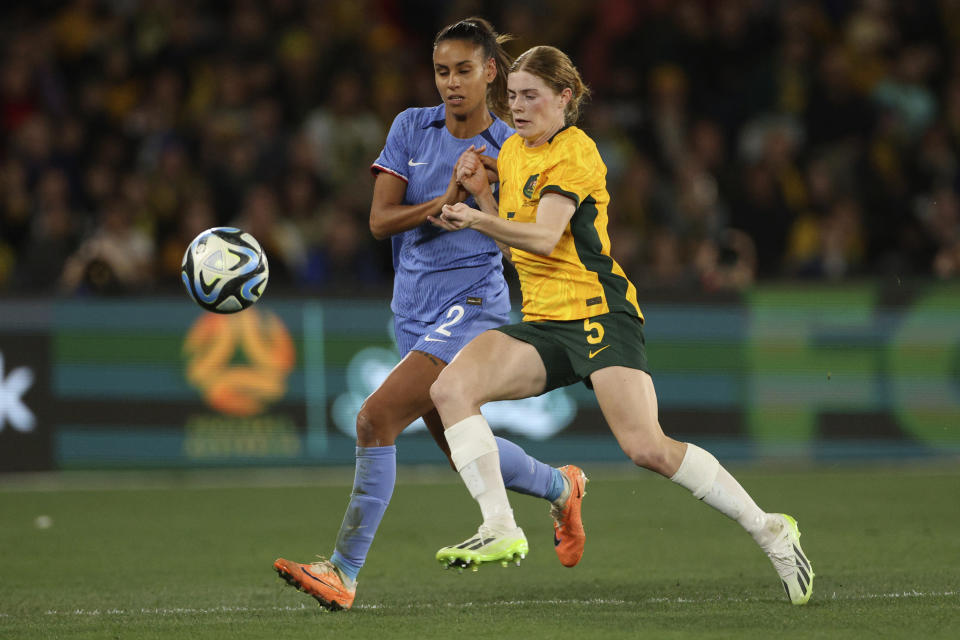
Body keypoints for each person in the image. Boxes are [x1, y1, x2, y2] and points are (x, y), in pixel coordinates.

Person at [427, 45, 815, 606]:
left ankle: (770, 528)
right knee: (451, 388)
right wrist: (485, 188)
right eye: (511, 96)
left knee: (647, 448)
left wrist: (474, 214)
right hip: (544, 322)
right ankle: (500, 526)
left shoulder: (577, 152)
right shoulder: (512, 152)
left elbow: (541, 235)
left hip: (598, 315)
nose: (518, 107)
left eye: (531, 96)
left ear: (565, 98)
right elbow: (516, 230)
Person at [273, 20, 588, 612]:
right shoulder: (409, 127)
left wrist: (483, 203)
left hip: (472, 306)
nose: (451, 83)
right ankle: (560, 485)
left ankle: (342, 570)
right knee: (459, 444)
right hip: (412, 311)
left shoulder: (510, 147)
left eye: (464, 70)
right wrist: (443, 201)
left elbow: (512, 246)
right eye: (442, 71)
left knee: (375, 420)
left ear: (491, 71)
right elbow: (378, 221)